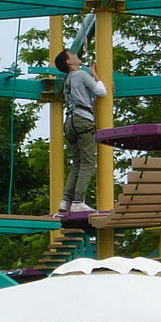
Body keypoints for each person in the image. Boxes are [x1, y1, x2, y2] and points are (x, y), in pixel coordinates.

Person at [55, 49, 108, 214]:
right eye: (71, 54)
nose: (75, 55)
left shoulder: (68, 81)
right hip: (82, 120)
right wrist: (96, 76)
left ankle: (66, 200)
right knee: (88, 163)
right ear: (69, 62)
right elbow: (101, 92)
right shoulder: (81, 75)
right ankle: (78, 201)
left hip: (70, 122)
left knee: (77, 164)